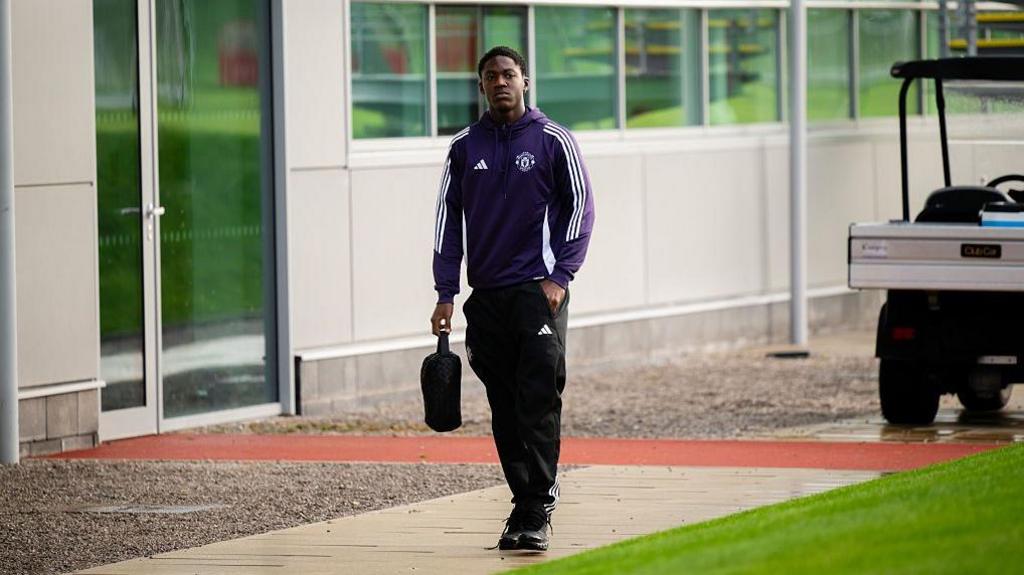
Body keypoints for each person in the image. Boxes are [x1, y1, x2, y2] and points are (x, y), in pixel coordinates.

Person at [430, 45, 595, 552]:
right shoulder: (463, 147)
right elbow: (446, 223)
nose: (500, 82)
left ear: (526, 81)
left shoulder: (553, 140)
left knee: (538, 400)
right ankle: (526, 502)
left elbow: (581, 209)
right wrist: (445, 294)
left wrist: (560, 277)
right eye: (491, 77)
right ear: (481, 87)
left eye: (509, 74)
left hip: (537, 293)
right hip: (487, 299)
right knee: (504, 408)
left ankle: (537, 504)